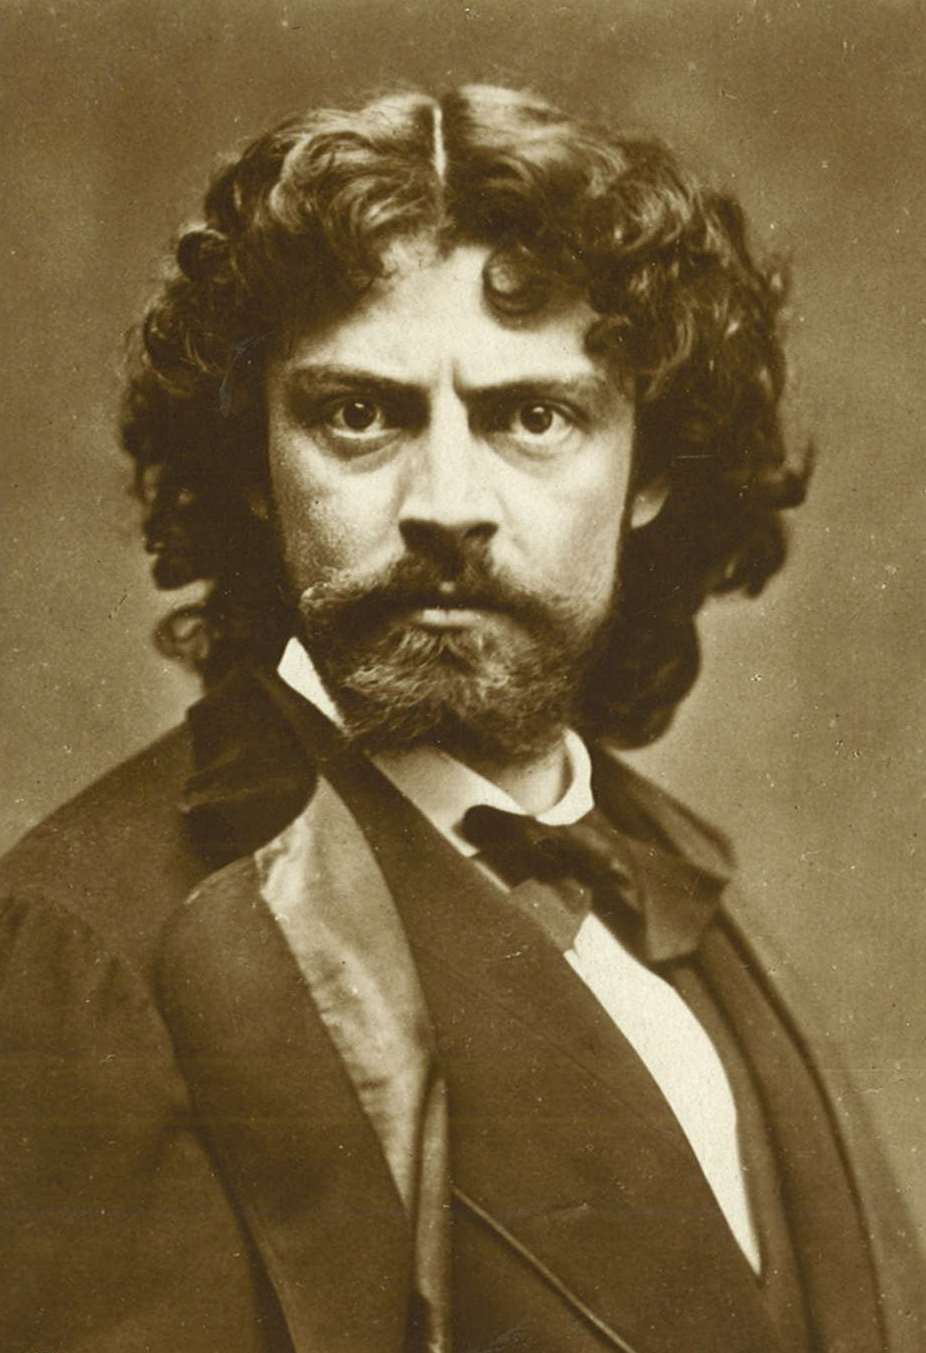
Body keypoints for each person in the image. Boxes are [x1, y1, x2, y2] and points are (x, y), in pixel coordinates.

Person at [0, 84, 921, 1353]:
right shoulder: (92, 950)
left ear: (649, 471)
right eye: (357, 414)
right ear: (256, 463)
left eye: (531, 416)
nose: (444, 502)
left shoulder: (674, 888)